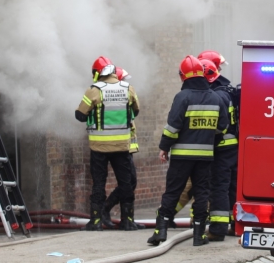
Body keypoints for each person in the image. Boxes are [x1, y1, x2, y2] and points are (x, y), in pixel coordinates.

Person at [147, 55, 229, 247]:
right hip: (205, 156)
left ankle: (160, 231)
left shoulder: (182, 97)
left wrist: (164, 147)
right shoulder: (215, 98)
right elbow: (222, 127)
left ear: (183, 76)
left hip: (182, 157)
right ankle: (199, 236)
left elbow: (173, 127)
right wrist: (208, 138)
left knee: (172, 192)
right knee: (202, 193)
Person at [75, 56, 139, 231]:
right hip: (122, 146)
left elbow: (80, 115)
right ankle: (128, 221)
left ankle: (96, 222)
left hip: (99, 147)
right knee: (126, 183)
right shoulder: (128, 88)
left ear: (97, 73)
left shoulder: (93, 90)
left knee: (99, 184)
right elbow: (135, 111)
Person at [198, 50, 239, 240]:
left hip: (221, 147)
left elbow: (217, 125)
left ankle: (217, 229)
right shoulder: (227, 90)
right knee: (232, 187)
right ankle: (235, 225)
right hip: (233, 147)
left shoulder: (216, 95)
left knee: (219, 187)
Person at [101, 67, 142, 230]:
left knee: (130, 182)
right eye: (123, 79)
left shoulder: (123, 97)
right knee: (128, 183)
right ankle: (108, 210)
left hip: (127, 147)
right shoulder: (117, 98)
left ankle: (127, 218)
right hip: (121, 147)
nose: (125, 82)